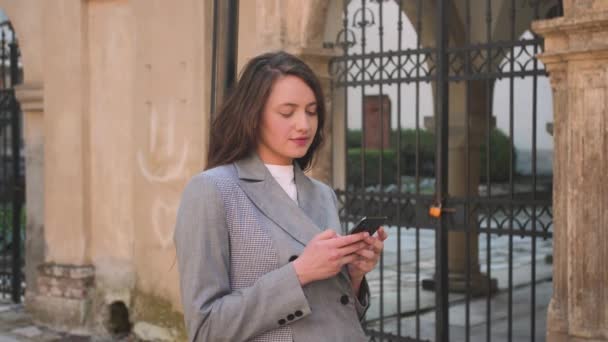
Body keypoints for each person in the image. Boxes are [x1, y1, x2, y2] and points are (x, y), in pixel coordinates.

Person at [174, 51, 388, 342]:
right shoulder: (212, 190)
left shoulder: (322, 194)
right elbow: (206, 329)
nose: (304, 125)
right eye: (287, 112)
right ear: (253, 116)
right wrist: (299, 273)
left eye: (311, 111)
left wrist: (354, 276)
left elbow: (337, 313)